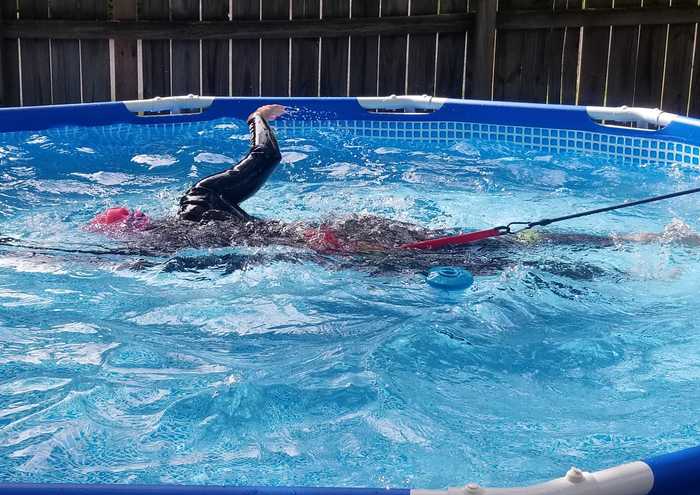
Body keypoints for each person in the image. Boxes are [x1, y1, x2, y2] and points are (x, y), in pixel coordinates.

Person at [86, 104, 700, 272]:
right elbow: (259, 162)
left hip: (331, 255)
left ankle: (629, 244)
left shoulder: (176, 250)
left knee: (480, 254)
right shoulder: (199, 197)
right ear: (138, 212)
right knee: (478, 246)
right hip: (335, 236)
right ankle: (635, 239)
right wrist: (258, 120)